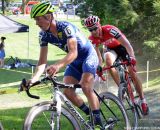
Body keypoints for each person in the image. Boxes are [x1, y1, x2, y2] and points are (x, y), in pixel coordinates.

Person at [29, 2, 103, 129]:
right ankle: (89, 113)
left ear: (48, 17)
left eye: (38, 19)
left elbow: (74, 52)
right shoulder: (43, 35)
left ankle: (98, 120)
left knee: (85, 86)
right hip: (74, 61)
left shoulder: (65, 27)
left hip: (87, 56)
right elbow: (42, 63)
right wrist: (33, 80)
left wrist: (57, 66)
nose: (36, 23)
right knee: (67, 91)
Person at [84, 15, 149, 115]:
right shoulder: (92, 39)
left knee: (132, 73)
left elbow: (127, 44)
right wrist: (99, 66)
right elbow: (98, 57)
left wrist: (132, 57)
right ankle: (121, 87)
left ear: (99, 25)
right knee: (108, 61)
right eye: (90, 30)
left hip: (122, 47)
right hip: (110, 50)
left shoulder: (110, 30)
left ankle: (143, 100)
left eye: (95, 28)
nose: (93, 32)